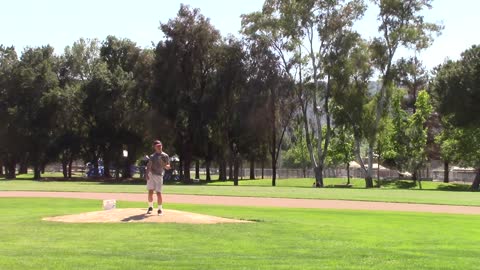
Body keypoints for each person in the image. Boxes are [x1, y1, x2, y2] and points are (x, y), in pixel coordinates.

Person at [145, 140, 170, 215]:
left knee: (158, 193)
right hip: (151, 174)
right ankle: (150, 207)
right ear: (154, 147)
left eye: (160, 145)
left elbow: (168, 167)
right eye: (157, 146)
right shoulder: (152, 156)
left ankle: (160, 209)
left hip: (159, 175)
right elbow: (149, 165)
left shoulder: (165, 156)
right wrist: (146, 174)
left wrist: (165, 165)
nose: (159, 147)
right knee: (150, 191)